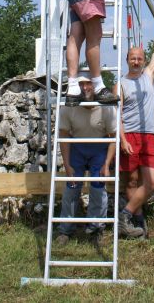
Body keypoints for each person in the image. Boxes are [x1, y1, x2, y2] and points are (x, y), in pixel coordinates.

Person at [118, 12, 154, 239]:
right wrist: (123, 139)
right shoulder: (120, 84)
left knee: (152, 182)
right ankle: (136, 221)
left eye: (139, 58)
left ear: (143, 60)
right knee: (132, 180)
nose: (136, 61)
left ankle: (124, 215)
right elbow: (115, 115)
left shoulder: (149, 75)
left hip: (149, 135)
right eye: (132, 58)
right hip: (130, 135)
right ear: (127, 60)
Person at [56, 74, 117, 244]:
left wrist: (106, 164)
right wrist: (67, 164)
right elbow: (64, 134)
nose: (85, 88)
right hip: (77, 147)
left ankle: (96, 228)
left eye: (88, 83)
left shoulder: (106, 107)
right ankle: (66, 229)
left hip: (99, 148)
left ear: (95, 85)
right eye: (81, 84)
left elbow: (113, 136)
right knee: (72, 185)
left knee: (98, 186)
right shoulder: (70, 105)